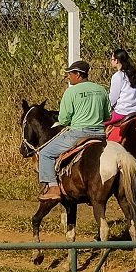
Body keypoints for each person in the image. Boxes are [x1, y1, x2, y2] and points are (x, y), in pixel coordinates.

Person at [39, 59, 112, 201]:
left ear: (78, 74)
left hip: (78, 133)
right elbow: (107, 115)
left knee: (45, 153)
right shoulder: (101, 90)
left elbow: (64, 119)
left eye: (70, 73)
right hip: (100, 134)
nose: (68, 76)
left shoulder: (71, 92)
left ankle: (53, 188)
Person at [106, 49, 136, 143]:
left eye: (112, 59)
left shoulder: (118, 76)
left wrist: (106, 108)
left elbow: (113, 98)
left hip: (123, 112)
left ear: (116, 61)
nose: (111, 61)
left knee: (99, 124)